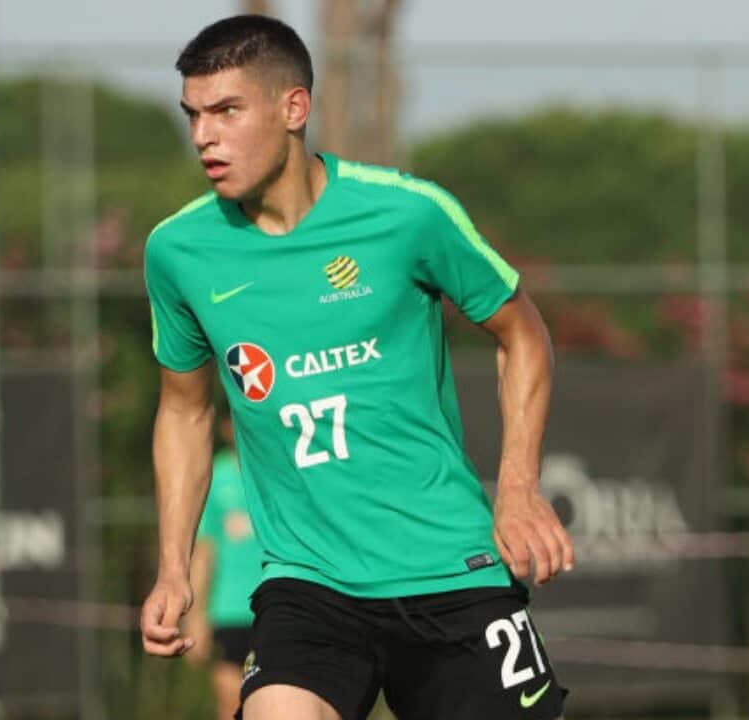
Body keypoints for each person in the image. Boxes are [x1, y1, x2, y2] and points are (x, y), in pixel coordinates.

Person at [140, 14, 571, 720]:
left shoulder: (408, 213)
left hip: (450, 571)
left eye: (226, 111)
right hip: (309, 586)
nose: (202, 137)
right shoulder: (179, 251)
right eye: (192, 115)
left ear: (293, 108)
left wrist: (518, 487)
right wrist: (173, 569)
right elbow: (185, 410)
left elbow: (523, 334)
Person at [184, 410, 262, 720]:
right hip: (230, 609)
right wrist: (195, 615)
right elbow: (205, 549)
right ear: (226, 427)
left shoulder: (279, 469)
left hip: (280, 605)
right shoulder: (216, 477)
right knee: (231, 701)